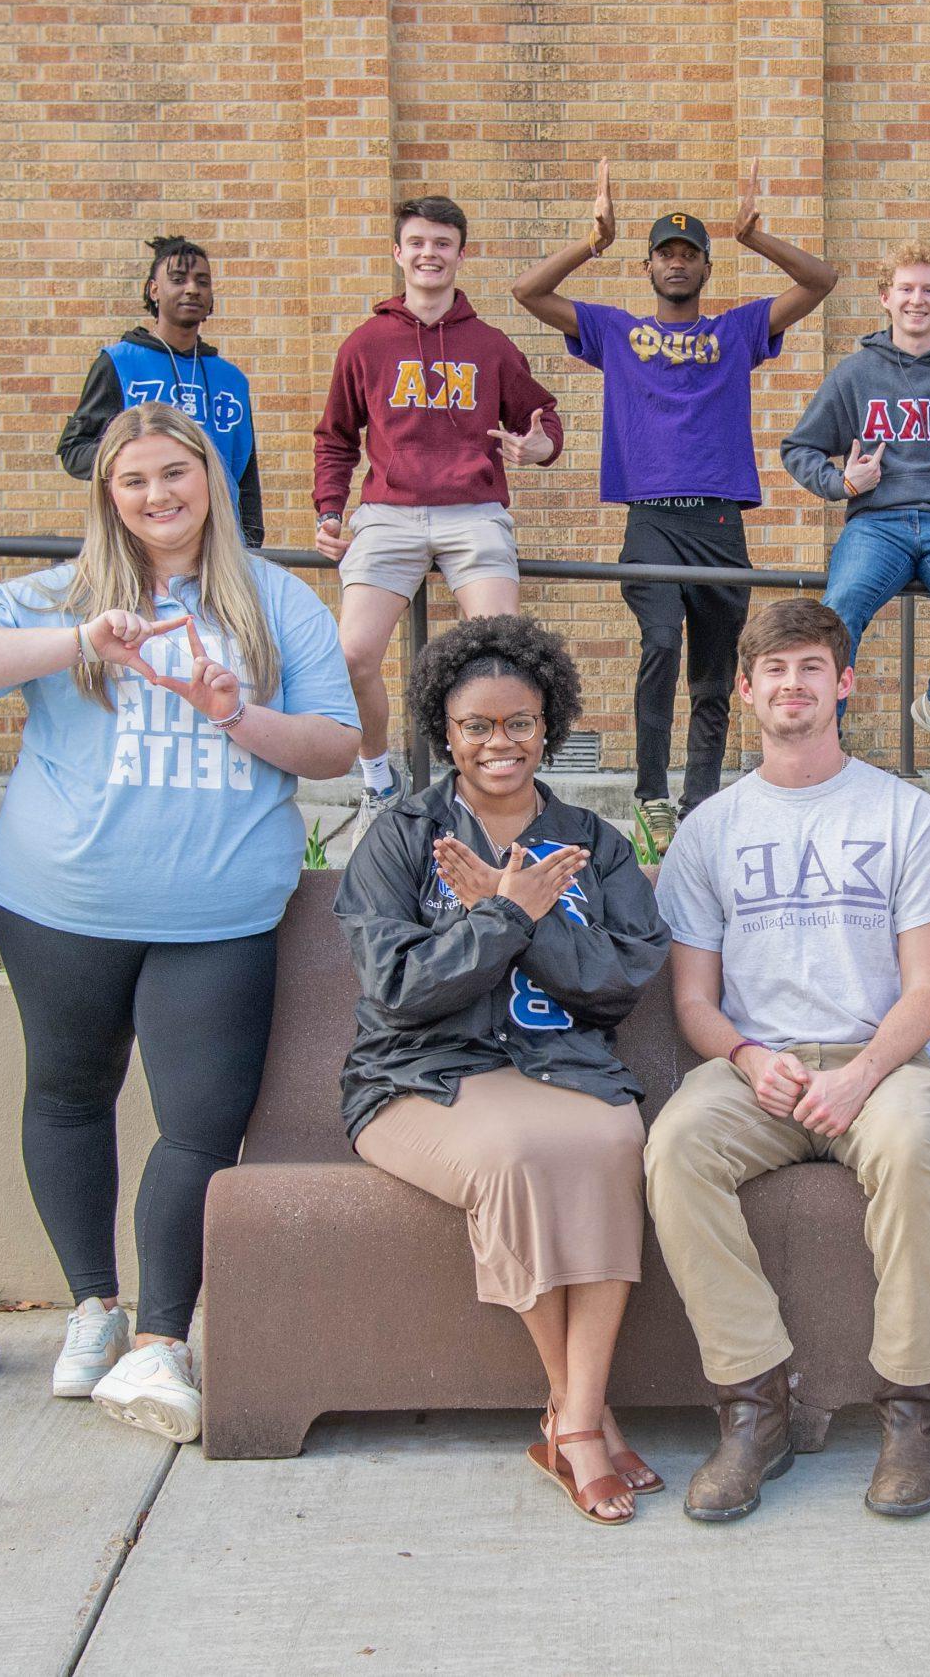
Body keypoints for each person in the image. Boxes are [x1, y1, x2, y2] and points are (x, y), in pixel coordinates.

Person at [0, 402, 359, 1445]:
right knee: (68, 1095)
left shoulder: (274, 601)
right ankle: (90, 1308)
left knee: (200, 1123)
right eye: (134, 481)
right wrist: (82, 639)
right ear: (107, 497)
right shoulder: (61, 596)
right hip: (62, 900)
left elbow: (337, 745)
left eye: (176, 472)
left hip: (217, 912)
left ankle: (162, 1339)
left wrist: (232, 714)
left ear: (209, 477)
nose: (159, 495)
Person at [334, 615, 671, 1525]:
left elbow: (619, 981)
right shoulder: (400, 838)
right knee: (516, 1155)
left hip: (561, 1065)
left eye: (518, 723)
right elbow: (397, 987)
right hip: (417, 1076)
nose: (499, 743)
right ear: (445, 730)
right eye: (477, 725)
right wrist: (502, 919)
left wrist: (533, 913)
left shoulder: (589, 844)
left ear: (547, 725)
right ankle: (585, 1423)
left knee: (612, 1139)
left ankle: (570, 1416)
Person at [644, 598, 930, 1520]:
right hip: (759, 1071)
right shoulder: (710, 829)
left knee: (914, 1149)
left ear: (846, 683)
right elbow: (694, 1005)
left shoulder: (907, 815)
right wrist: (750, 1059)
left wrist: (860, 1075)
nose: (792, 684)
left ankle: (912, 1410)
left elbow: (927, 995)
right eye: (774, 670)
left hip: (883, 1065)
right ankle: (757, 1409)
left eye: (811, 667)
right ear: (745, 689)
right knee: (674, 1150)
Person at [510, 159, 838, 851]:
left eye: (690, 254)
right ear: (650, 266)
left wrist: (756, 236)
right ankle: (652, 795)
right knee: (659, 643)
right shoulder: (617, 333)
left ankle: (701, 804)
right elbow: (527, 291)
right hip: (652, 518)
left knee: (717, 676)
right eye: (666, 252)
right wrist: (591, 242)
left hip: (719, 521)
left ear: (706, 268)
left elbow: (820, 281)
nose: (678, 262)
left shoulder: (736, 332)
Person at [314, 195, 564, 850]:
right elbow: (335, 438)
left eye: (443, 243)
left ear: (461, 253)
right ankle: (379, 780)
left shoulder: (489, 345)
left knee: (498, 650)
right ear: (399, 253)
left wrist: (538, 447)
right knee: (351, 654)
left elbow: (544, 420)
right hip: (389, 515)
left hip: (474, 513)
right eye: (418, 242)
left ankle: (483, 788)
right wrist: (330, 510)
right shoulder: (366, 344)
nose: (430, 253)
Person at [780, 241, 930, 773]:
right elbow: (797, 448)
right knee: (836, 619)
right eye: (907, 289)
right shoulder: (854, 374)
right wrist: (843, 482)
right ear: (886, 298)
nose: (918, 300)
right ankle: (823, 751)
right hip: (877, 524)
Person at [56, 235, 263, 544]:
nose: (192, 288)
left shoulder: (231, 379)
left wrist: (252, 543)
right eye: (178, 279)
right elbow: (74, 451)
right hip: (138, 544)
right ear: (154, 289)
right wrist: (132, 462)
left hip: (220, 546)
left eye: (202, 281)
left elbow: (246, 472)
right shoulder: (120, 363)